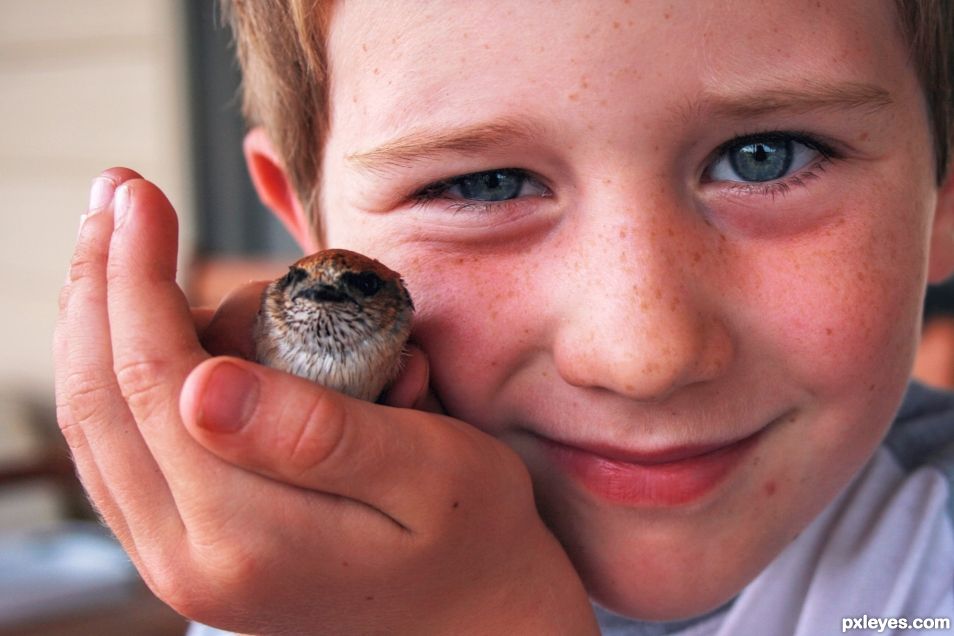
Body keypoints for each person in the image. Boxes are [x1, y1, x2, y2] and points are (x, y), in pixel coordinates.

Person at [55, 1, 954, 634]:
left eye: (765, 157)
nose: (642, 354)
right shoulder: (289, 566)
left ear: (942, 200)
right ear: (308, 224)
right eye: (481, 184)